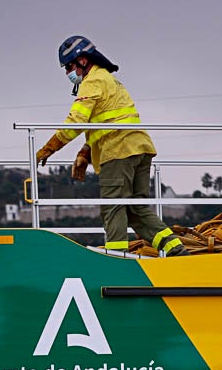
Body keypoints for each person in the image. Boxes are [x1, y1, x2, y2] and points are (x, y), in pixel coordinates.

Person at [35, 35, 188, 258]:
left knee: (112, 207)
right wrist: (85, 152)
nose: (69, 72)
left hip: (118, 152)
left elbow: (76, 122)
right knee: (137, 209)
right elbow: (107, 123)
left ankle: (116, 261)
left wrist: (49, 147)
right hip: (139, 148)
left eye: (69, 66)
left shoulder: (92, 81)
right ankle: (176, 251)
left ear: (83, 61)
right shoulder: (109, 80)